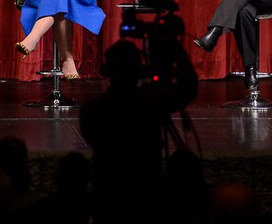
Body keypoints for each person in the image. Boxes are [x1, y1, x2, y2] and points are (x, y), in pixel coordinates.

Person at [79, 33, 198, 224]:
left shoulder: (92, 111)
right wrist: (178, 54)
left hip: (107, 199)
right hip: (147, 196)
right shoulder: (151, 104)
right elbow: (189, 87)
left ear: (107, 70)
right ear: (139, 70)